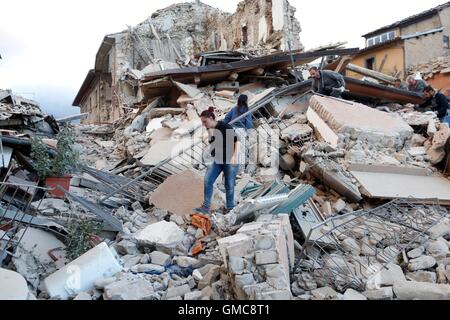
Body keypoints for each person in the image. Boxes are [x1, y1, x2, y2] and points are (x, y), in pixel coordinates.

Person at [194, 107, 240, 215]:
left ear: (211, 118)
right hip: (218, 159)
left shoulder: (224, 126)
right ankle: (205, 207)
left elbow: (236, 140)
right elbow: (212, 143)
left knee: (229, 185)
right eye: (202, 122)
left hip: (229, 159)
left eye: (205, 121)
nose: (203, 124)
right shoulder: (210, 129)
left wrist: (234, 156)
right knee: (208, 180)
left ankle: (230, 209)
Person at [224, 94, 252, 172]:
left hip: (232, 130)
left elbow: (226, 118)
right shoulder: (247, 110)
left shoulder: (234, 109)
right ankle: (241, 169)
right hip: (241, 131)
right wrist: (247, 132)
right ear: (246, 101)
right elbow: (249, 124)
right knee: (241, 151)